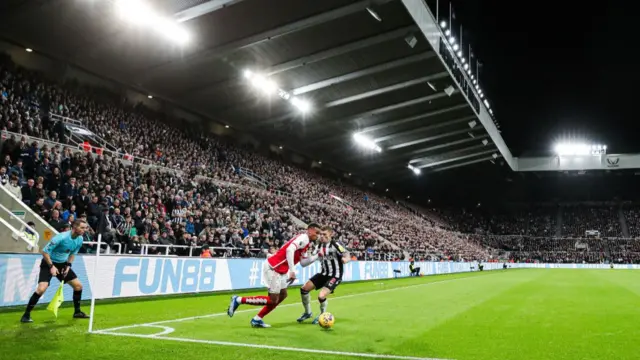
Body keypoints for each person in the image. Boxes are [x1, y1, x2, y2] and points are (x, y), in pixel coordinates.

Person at [227, 223, 321, 328]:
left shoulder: (306, 242)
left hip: (280, 270)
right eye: (316, 233)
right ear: (310, 230)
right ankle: (238, 300)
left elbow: (303, 263)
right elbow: (290, 250)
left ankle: (257, 319)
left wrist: (317, 255)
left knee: (282, 295)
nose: (317, 235)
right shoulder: (304, 238)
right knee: (272, 299)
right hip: (274, 268)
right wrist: (292, 271)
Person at [20, 220, 90, 323]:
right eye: (82, 228)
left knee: (78, 286)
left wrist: (68, 266)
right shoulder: (61, 237)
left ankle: (77, 312)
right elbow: (44, 252)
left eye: (85, 228)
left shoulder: (79, 239)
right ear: (75, 227)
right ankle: (26, 315)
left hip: (62, 264)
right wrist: (51, 266)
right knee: (41, 289)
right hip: (49, 262)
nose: (85, 230)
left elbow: (72, 253)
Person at [296, 226, 350, 324]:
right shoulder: (318, 245)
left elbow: (346, 254)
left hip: (335, 275)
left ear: (331, 234)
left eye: (324, 234)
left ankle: (323, 315)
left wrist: (345, 259)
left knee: (321, 296)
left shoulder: (335, 245)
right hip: (323, 274)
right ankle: (308, 312)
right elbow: (313, 256)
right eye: (320, 234)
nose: (322, 236)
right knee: (304, 288)